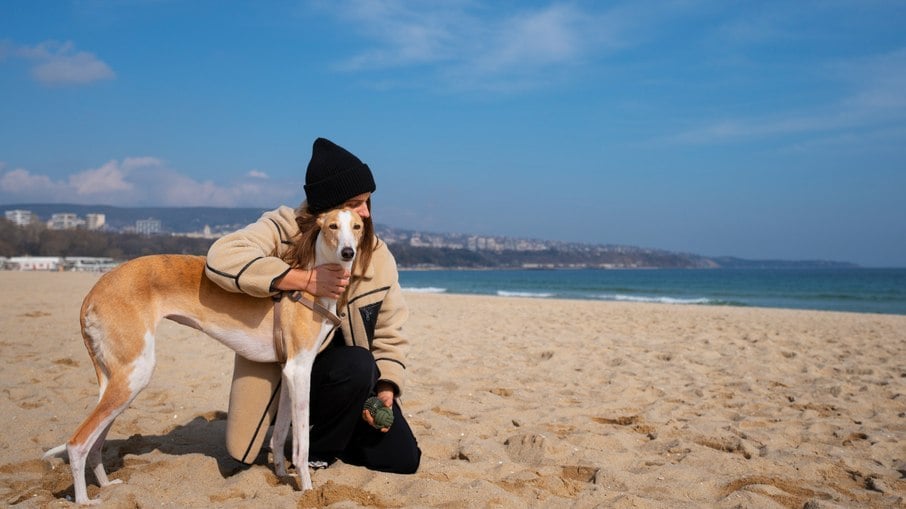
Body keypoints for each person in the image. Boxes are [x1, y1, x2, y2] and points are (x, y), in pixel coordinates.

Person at [204, 137, 421, 474]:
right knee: (358, 364)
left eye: (367, 202)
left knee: (403, 459)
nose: (365, 211)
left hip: (353, 383)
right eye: (354, 203)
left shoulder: (377, 254)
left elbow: (391, 330)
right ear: (326, 211)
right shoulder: (284, 228)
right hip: (289, 370)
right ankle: (314, 447)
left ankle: (332, 434)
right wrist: (299, 279)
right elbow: (221, 257)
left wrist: (388, 384)